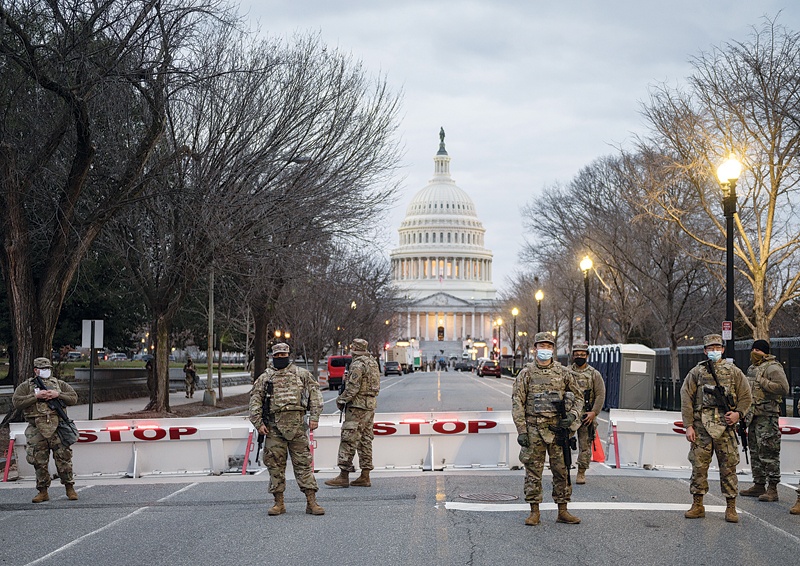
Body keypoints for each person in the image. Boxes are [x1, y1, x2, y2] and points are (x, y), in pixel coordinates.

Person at [512, 332, 583, 526]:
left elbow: (578, 397)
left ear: (553, 348)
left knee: (562, 470)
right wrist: (522, 431)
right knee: (533, 471)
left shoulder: (563, 372)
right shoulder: (526, 373)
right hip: (534, 429)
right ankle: (534, 511)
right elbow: (517, 401)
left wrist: (572, 417)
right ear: (535, 348)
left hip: (557, 429)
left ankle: (562, 510)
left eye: (548, 346)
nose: (544, 349)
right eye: (541, 346)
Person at [680, 334, 751, 523]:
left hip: (725, 427)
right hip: (701, 426)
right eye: (710, 348)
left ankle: (731, 507)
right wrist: (688, 426)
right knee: (699, 467)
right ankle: (697, 504)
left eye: (717, 347)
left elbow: (746, 396)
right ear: (705, 351)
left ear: (723, 349)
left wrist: (738, 414)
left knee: (728, 467)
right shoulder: (696, 372)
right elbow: (686, 399)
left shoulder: (734, 372)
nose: (714, 351)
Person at [249, 342, 324, 515]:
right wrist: (258, 423)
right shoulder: (265, 378)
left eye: (284, 355)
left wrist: (314, 417)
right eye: (277, 356)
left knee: (304, 464)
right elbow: (255, 401)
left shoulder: (301, 374)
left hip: (297, 426)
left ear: (288, 355)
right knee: (275, 466)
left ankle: (311, 502)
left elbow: (315, 394)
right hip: (274, 428)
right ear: (272, 356)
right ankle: (279, 503)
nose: (281, 358)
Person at [11, 357, 79, 503]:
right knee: (39, 461)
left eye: (48, 368)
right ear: (36, 370)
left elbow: (73, 398)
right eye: (43, 369)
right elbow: (17, 402)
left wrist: (57, 395)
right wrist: (35, 397)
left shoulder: (59, 384)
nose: (46, 371)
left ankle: (69, 487)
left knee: (63, 458)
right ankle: (42, 491)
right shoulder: (26, 386)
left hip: (58, 427)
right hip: (36, 428)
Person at [325, 338, 381, 488]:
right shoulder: (372, 363)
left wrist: (341, 400)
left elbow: (353, 388)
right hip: (369, 406)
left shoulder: (357, 364)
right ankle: (365, 475)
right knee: (365, 440)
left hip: (357, 407)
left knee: (348, 439)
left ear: (354, 350)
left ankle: (344, 475)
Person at [739, 339, 789, 502]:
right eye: (752, 349)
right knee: (755, 452)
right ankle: (758, 484)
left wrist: (763, 381)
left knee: (769, 452)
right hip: (753, 416)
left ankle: (772, 488)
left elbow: (784, 388)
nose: (754, 352)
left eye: (758, 350)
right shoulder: (752, 368)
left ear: (765, 352)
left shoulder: (773, 368)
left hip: (767, 416)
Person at [570, 342, 606, 485]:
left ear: (587, 356)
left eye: (582, 354)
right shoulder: (566, 372)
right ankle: (564, 470)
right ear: (573, 356)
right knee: (562, 444)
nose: (579, 356)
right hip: (570, 415)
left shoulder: (594, 374)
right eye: (577, 354)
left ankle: (581, 472)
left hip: (586, 415)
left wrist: (594, 412)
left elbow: (600, 394)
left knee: (585, 446)